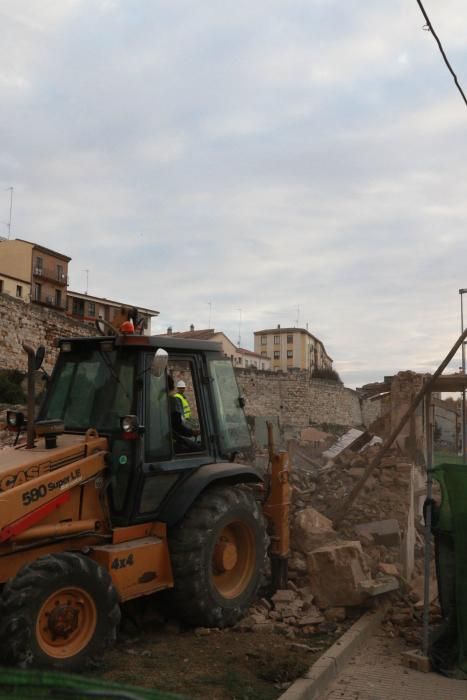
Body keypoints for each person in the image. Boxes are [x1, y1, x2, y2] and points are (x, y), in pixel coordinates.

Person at [167, 376, 200, 449]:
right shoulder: (173, 399)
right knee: (196, 447)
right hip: (181, 427)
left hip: (184, 423)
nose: (183, 389)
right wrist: (191, 432)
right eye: (181, 388)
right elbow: (177, 424)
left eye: (183, 387)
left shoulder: (179, 397)